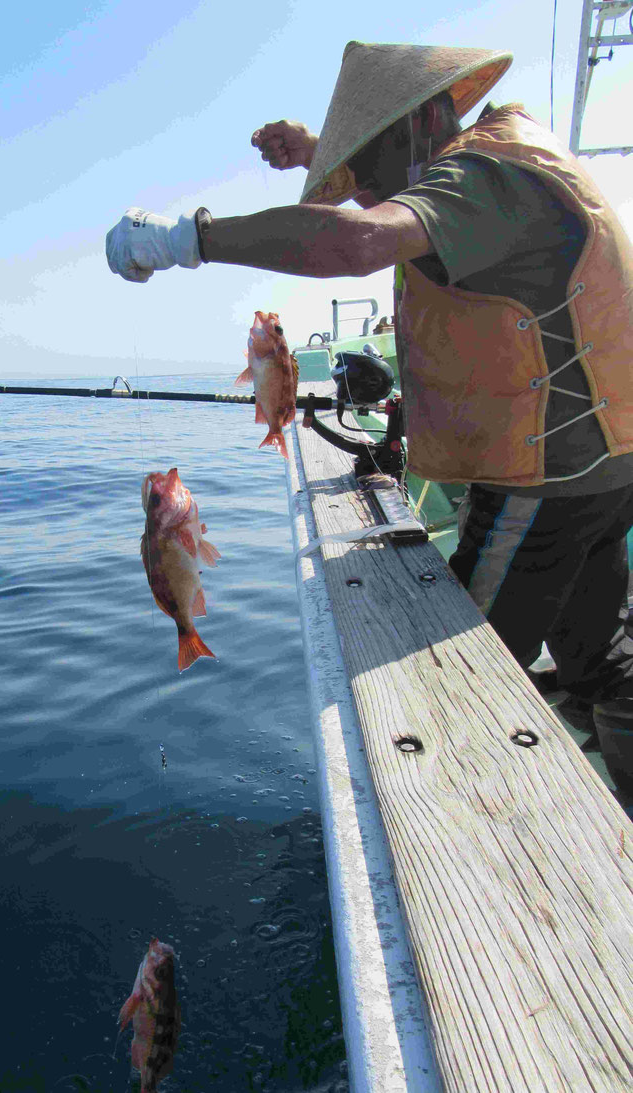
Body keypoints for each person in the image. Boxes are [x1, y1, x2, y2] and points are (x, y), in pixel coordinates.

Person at [105, 42, 633, 804]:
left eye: (368, 162)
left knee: (455, 682)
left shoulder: (478, 179)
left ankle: (470, 845)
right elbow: (398, 188)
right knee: (603, 659)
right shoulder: (509, 155)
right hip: (610, 466)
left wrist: (188, 239)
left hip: (541, 482)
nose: (362, 188)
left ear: (420, 124)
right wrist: (325, 152)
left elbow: (359, 239)